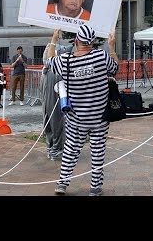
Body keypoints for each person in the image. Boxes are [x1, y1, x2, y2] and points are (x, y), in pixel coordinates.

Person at [46, 25, 118, 196]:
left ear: (76, 41)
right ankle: (95, 188)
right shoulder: (101, 56)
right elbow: (115, 68)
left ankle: (62, 184)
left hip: (76, 118)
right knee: (98, 150)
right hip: (100, 116)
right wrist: (112, 46)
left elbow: (49, 61)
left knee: (71, 149)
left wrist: (54, 39)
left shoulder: (66, 60)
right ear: (92, 42)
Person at [39, 41, 72, 161]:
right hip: (53, 101)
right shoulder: (54, 72)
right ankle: (56, 149)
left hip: (49, 100)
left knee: (51, 121)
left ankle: (53, 148)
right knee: (55, 122)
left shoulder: (47, 71)